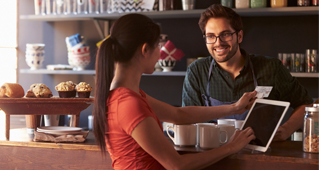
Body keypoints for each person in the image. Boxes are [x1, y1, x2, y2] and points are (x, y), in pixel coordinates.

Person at [93, 13, 257, 170]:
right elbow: (177, 165)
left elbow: (179, 115)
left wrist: (234, 107)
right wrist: (231, 147)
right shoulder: (129, 103)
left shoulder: (126, 95)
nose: (160, 53)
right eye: (158, 46)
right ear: (144, 50)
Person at [182, 4, 314, 141]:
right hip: (214, 156)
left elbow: (306, 104)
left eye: (225, 34)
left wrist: (286, 130)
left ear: (239, 36)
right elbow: (187, 118)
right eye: (210, 36)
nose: (218, 42)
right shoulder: (197, 71)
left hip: (262, 157)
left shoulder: (271, 68)